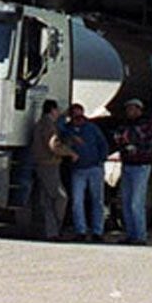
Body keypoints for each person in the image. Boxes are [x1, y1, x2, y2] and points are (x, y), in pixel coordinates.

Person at [61, 103, 110, 242]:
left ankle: (97, 231)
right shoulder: (67, 130)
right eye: (75, 115)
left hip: (94, 168)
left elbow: (103, 144)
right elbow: (59, 131)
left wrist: (101, 160)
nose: (78, 118)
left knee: (97, 200)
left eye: (80, 114)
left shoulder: (92, 128)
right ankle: (80, 231)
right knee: (77, 201)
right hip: (78, 170)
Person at [112, 98, 152, 245]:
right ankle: (130, 234)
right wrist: (127, 140)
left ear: (139, 109)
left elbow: (137, 136)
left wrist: (127, 139)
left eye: (132, 108)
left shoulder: (148, 123)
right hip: (127, 165)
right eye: (127, 109)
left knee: (136, 202)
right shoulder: (124, 124)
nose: (129, 111)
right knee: (125, 202)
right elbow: (117, 137)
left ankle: (140, 236)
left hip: (141, 166)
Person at [27, 100, 73, 239]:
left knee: (48, 200)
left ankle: (52, 232)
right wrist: (70, 153)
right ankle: (57, 225)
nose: (58, 112)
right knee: (60, 197)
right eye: (57, 109)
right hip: (49, 165)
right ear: (52, 110)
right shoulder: (48, 125)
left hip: (41, 164)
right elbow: (54, 145)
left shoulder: (41, 123)